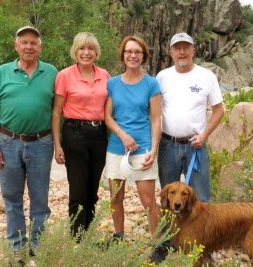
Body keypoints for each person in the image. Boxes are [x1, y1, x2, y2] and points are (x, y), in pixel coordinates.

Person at [0, 26, 57, 254]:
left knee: (40, 199)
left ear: (40, 47)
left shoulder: (52, 73)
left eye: (33, 43)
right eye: (24, 42)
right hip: (8, 143)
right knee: (12, 197)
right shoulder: (2, 73)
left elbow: (58, 109)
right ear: (16, 46)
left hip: (42, 143)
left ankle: (37, 245)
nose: (29, 46)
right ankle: (17, 247)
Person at [103, 35, 162, 251]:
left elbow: (156, 119)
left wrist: (154, 150)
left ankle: (158, 245)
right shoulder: (113, 83)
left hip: (143, 148)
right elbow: (107, 116)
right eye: (129, 51)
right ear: (123, 55)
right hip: (117, 148)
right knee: (116, 198)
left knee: (148, 201)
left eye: (137, 52)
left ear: (143, 56)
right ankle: (118, 237)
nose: (133, 55)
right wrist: (123, 135)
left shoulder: (151, 83)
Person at [52, 32, 110, 237]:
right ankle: (77, 237)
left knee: (92, 190)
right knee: (78, 189)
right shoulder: (65, 75)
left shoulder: (104, 75)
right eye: (82, 48)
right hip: (74, 134)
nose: (86, 53)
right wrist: (57, 145)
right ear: (75, 51)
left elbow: (111, 108)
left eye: (91, 48)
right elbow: (57, 111)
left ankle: (89, 234)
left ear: (97, 52)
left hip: (99, 134)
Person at [156, 32, 224, 202]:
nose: (182, 52)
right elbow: (154, 112)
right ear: (171, 52)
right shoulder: (162, 77)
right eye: (177, 48)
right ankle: (169, 230)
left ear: (193, 51)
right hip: (167, 146)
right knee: (168, 199)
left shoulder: (207, 76)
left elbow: (219, 110)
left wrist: (204, 135)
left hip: (195, 145)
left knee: (200, 198)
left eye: (186, 48)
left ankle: (200, 230)